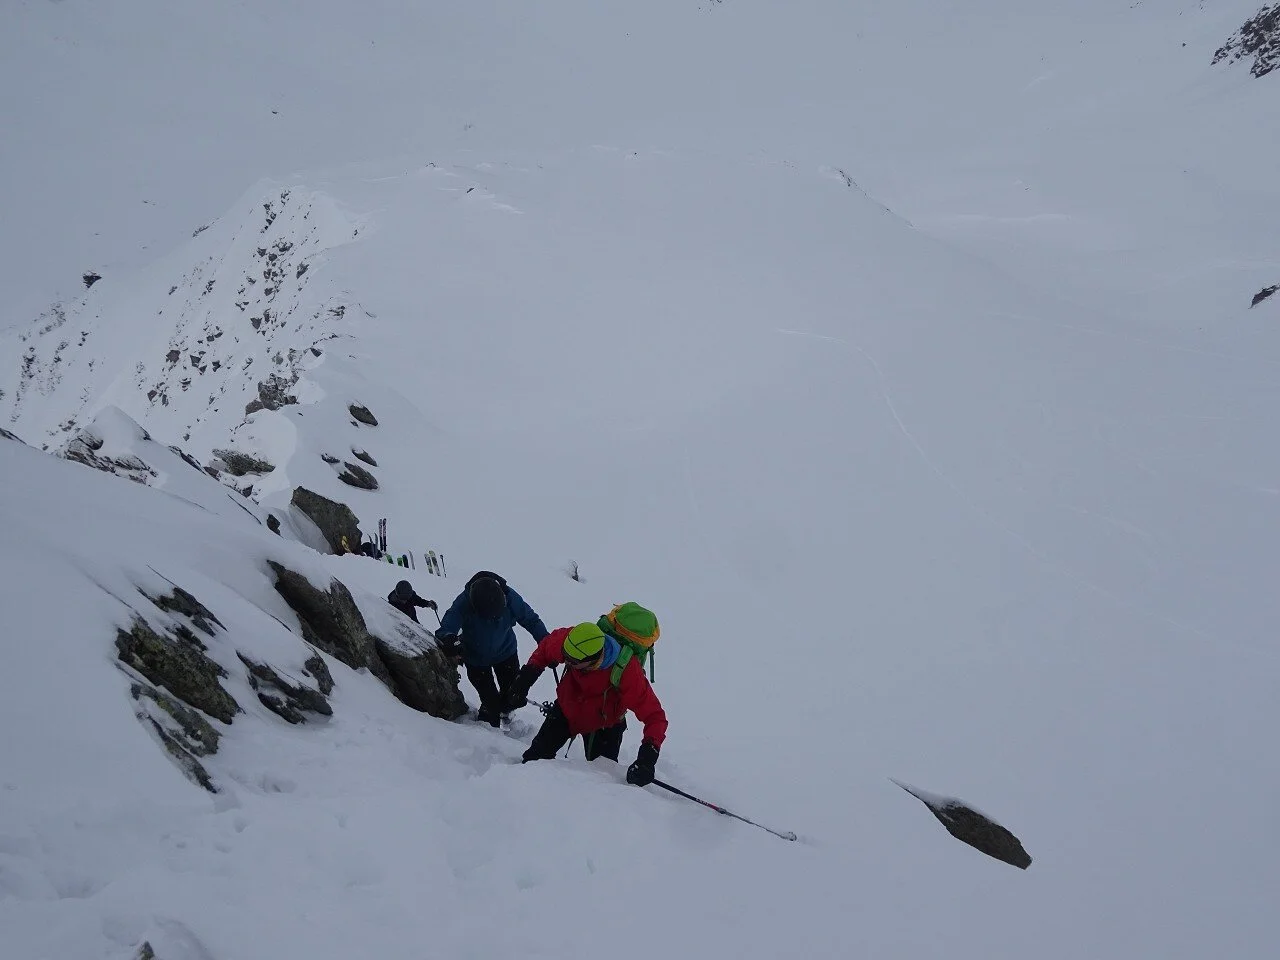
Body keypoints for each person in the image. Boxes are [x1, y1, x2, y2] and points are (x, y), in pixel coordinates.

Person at [501, 621, 667, 785]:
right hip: (566, 710)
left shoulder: (627, 672)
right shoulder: (572, 642)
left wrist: (647, 758)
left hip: (605, 726)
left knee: (604, 781)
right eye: (565, 657)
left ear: (594, 660)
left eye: (573, 662)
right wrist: (524, 680)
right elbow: (546, 649)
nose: (566, 662)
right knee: (532, 761)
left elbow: (655, 716)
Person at [435, 571, 549, 727]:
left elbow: (531, 620)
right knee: (490, 703)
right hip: (476, 659)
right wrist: (449, 638)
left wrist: (546, 644)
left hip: (506, 653)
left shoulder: (509, 596)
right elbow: (447, 627)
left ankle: (505, 711)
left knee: (512, 695)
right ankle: (489, 729)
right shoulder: (464, 602)